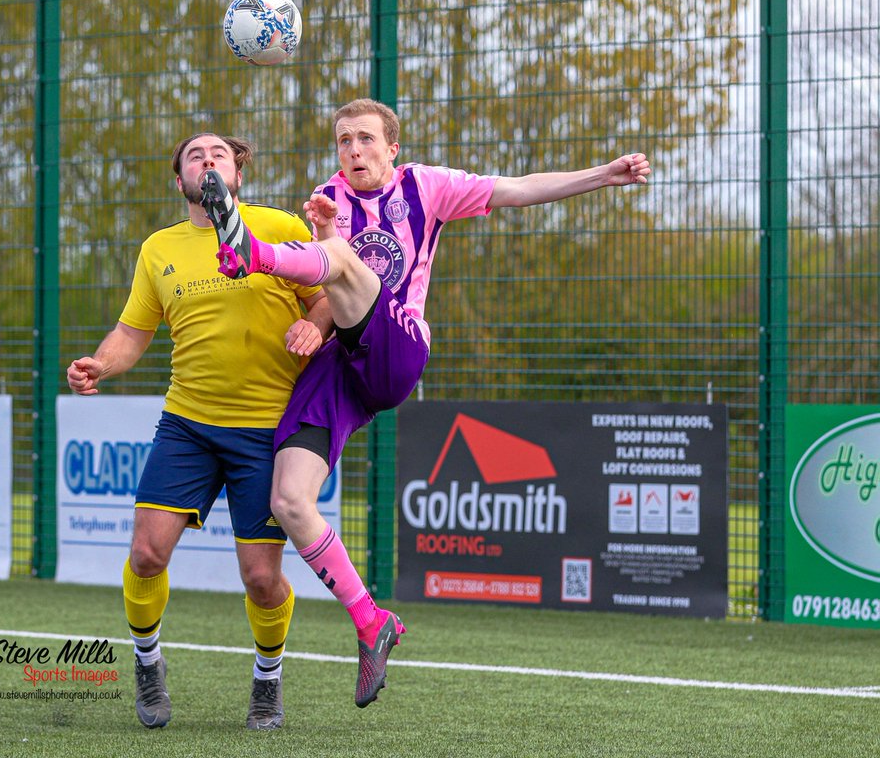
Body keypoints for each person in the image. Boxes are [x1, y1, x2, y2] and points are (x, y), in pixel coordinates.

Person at [211, 98, 651, 707]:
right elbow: (328, 288)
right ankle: (371, 620)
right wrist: (320, 284)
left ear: (392, 147)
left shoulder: (427, 186)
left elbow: (518, 188)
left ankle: (249, 254)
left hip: (398, 349)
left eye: (365, 139)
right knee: (288, 499)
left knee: (343, 259)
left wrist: (603, 175)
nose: (353, 150)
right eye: (344, 140)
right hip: (343, 363)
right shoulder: (327, 197)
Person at [67, 132, 331, 731]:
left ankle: (268, 678)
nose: (207, 161)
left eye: (219, 155)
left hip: (266, 429)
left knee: (261, 579)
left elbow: (326, 297)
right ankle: (147, 662)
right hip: (188, 424)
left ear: (238, 173)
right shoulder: (158, 248)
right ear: (179, 178)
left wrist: (316, 327)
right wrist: (99, 364)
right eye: (195, 156)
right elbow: (132, 332)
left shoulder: (279, 226)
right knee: (145, 554)